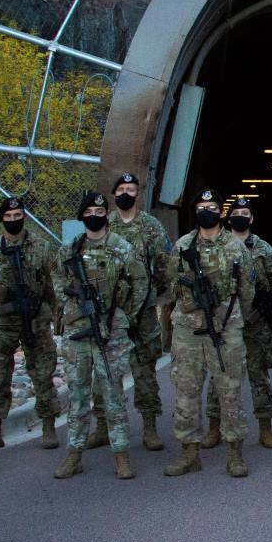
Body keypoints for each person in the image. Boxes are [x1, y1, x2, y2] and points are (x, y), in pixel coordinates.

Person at [164, 189, 255, 479]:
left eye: (212, 206)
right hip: (188, 329)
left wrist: (230, 315)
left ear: (221, 211)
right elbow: (171, 285)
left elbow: (247, 291)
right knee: (186, 392)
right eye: (201, 206)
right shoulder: (182, 245)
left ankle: (234, 455)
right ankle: (190, 454)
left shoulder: (236, 247)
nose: (207, 211)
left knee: (230, 391)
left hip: (226, 327)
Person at [51, 191, 142, 480]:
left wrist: (121, 314)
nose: (95, 214)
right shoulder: (69, 250)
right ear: (82, 215)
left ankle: (121, 454)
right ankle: (74, 453)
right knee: (77, 393)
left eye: (100, 210)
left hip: (110, 330)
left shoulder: (122, 248)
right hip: (79, 330)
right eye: (89, 210)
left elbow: (139, 284)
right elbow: (57, 283)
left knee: (113, 393)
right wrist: (74, 302)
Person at [0, 195, 60, 451]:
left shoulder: (41, 246)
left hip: (36, 318)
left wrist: (57, 315)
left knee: (42, 372)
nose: (13, 221)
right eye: (8, 217)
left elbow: (53, 284)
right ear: (1, 219)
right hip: (3, 321)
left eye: (18, 216)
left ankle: (48, 426)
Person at [206, 196, 272, 450]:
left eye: (246, 213)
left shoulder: (266, 250)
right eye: (236, 212)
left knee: (259, 376)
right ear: (228, 218)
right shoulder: (215, 245)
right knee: (219, 375)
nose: (241, 216)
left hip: (256, 324)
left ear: (252, 218)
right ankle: (214, 428)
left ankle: (265, 429)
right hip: (224, 323)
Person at [107, 172, 173, 451]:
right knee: (108, 371)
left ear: (138, 194)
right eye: (121, 188)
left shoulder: (151, 226)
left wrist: (150, 297)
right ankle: (104, 425)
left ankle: (149, 427)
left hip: (144, 310)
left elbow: (163, 265)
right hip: (111, 313)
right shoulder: (105, 224)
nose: (126, 193)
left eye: (131, 189)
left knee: (144, 369)